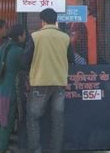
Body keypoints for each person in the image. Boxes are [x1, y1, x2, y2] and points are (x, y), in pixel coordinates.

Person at [23, 8, 74, 153]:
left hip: (39, 83)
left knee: (33, 117)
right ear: (55, 20)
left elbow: (24, 60)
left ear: (43, 21)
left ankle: (36, 150)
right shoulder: (65, 37)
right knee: (57, 120)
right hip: (59, 83)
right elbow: (71, 58)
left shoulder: (35, 36)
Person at [0, 24, 27, 153]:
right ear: (19, 36)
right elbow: (27, 67)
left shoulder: (3, 47)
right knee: (7, 121)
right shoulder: (18, 51)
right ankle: (2, 148)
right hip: (9, 91)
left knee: (1, 120)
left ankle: (1, 146)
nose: (25, 37)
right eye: (24, 34)